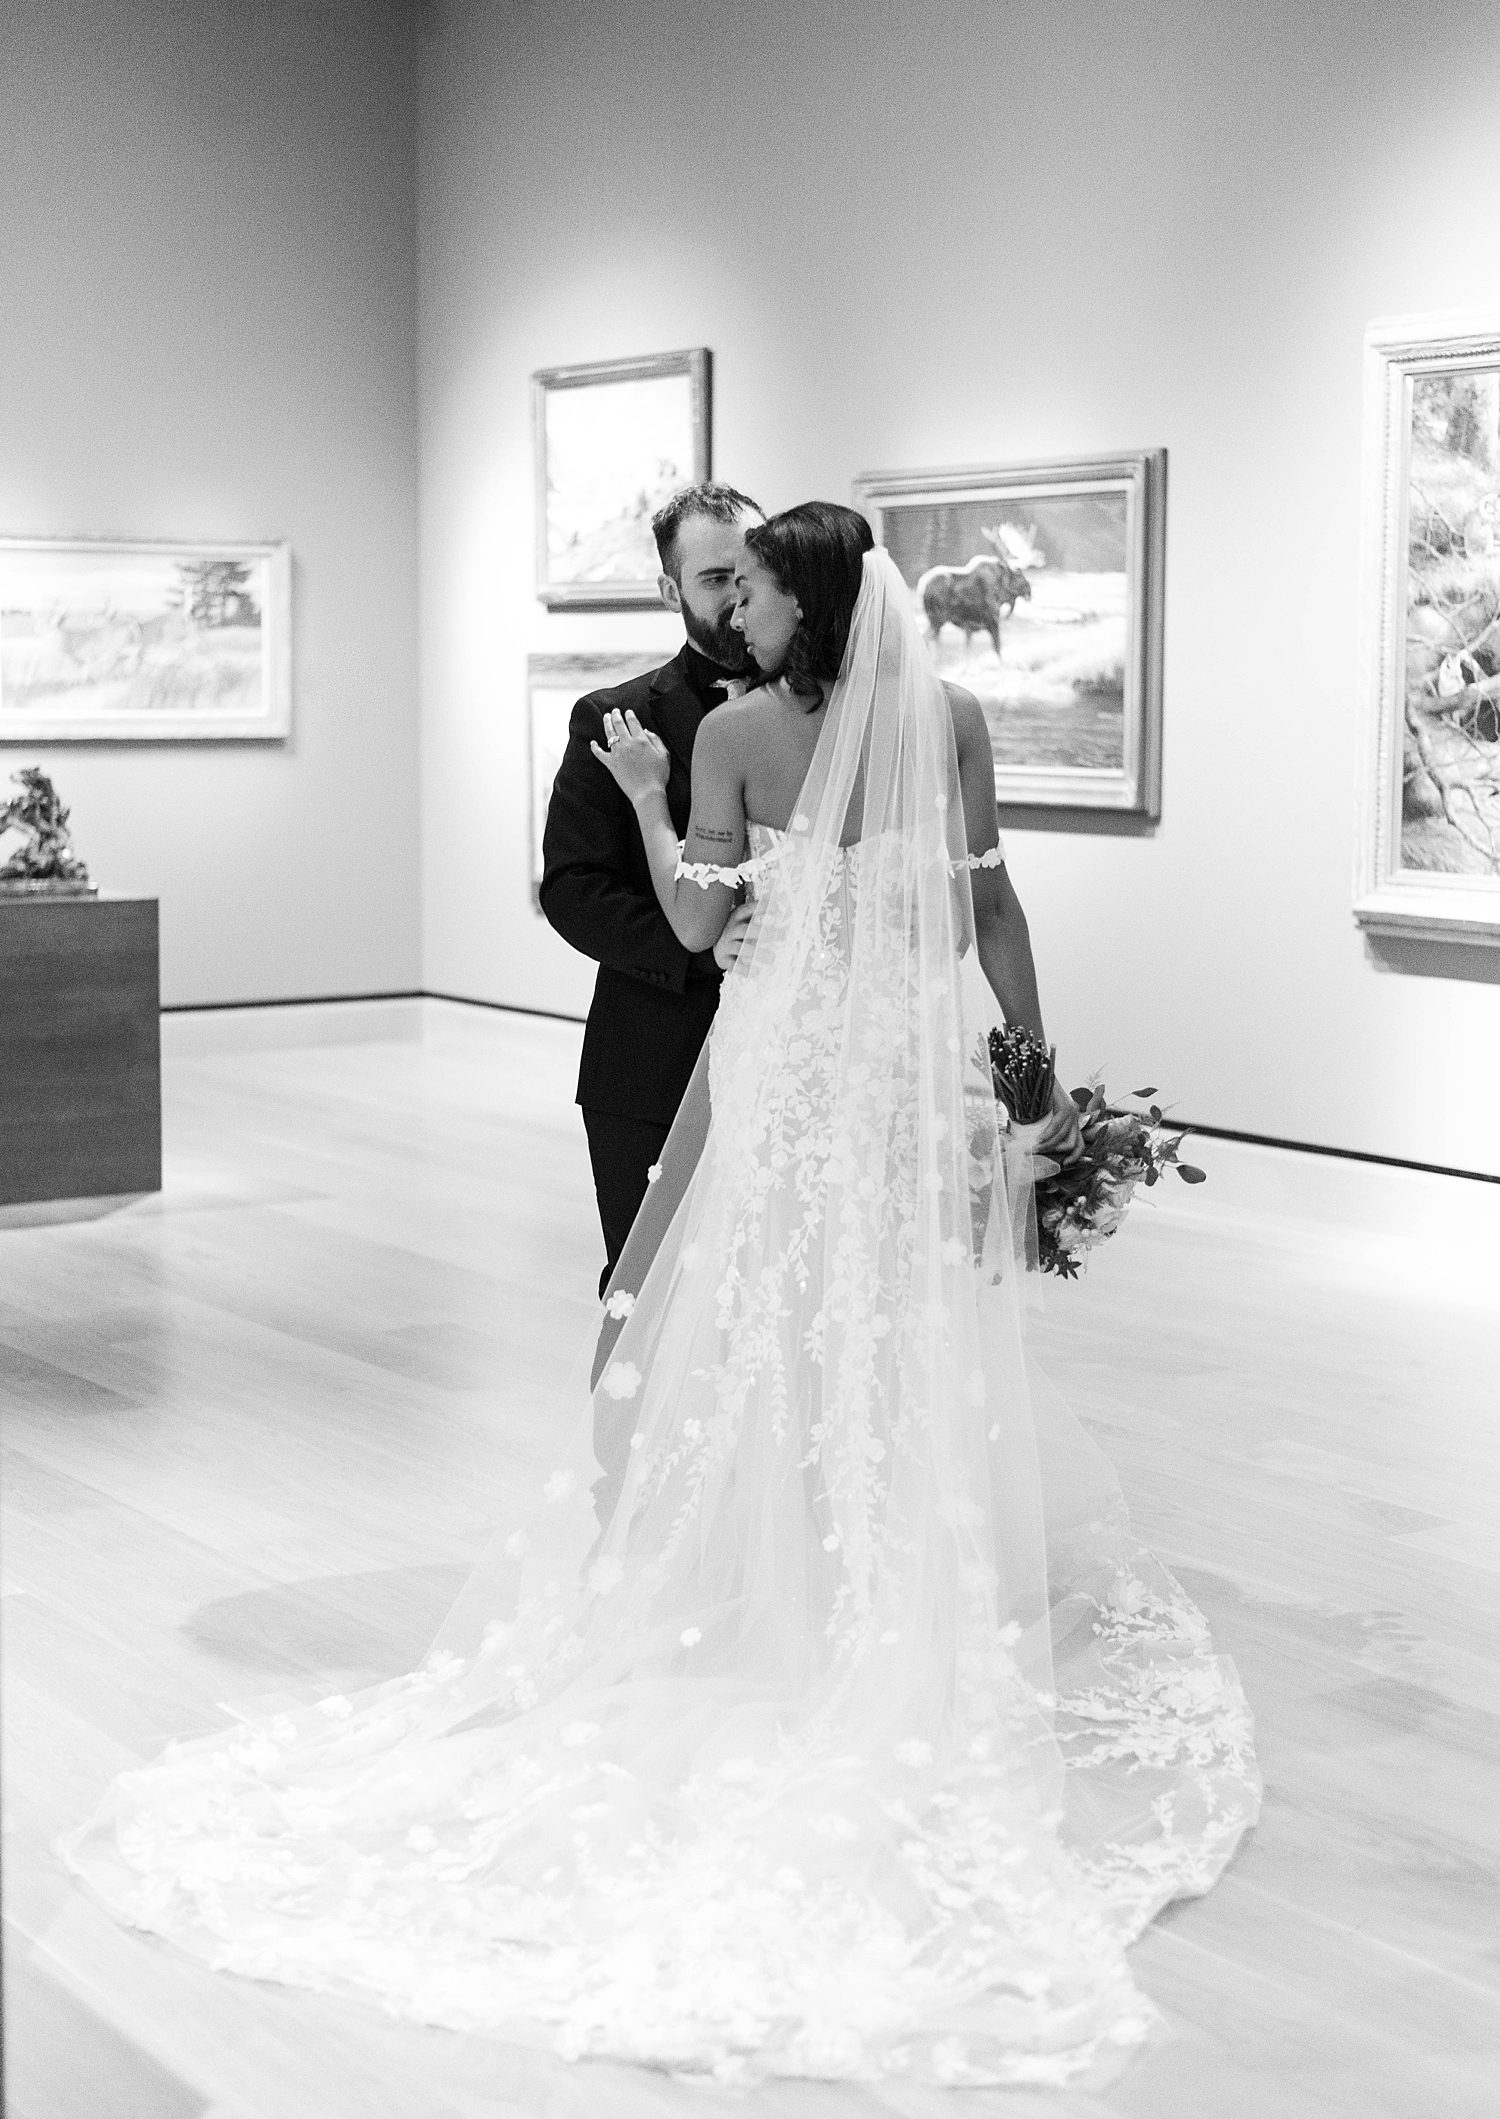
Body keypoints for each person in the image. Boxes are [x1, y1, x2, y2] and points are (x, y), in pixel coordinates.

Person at [61, 507, 1259, 2092]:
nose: (732, 612)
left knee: (739, 1325)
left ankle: (753, 1589)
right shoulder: (952, 718)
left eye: (750, 588)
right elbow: (990, 911)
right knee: (897, 1333)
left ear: (805, 599)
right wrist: (1032, 1068)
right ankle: (877, 1592)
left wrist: (646, 793)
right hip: (897, 1084)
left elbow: (699, 929)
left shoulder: (743, 737)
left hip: (780, 1084)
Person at [540, 481, 764, 1297]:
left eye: (751, 573)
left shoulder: (828, 719)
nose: (739, 600)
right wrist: (701, 950)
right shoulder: (612, 718)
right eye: (714, 580)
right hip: (652, 1063)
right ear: (670, 590)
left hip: (790, 1061)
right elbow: (571, 888)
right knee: (649, 1291)